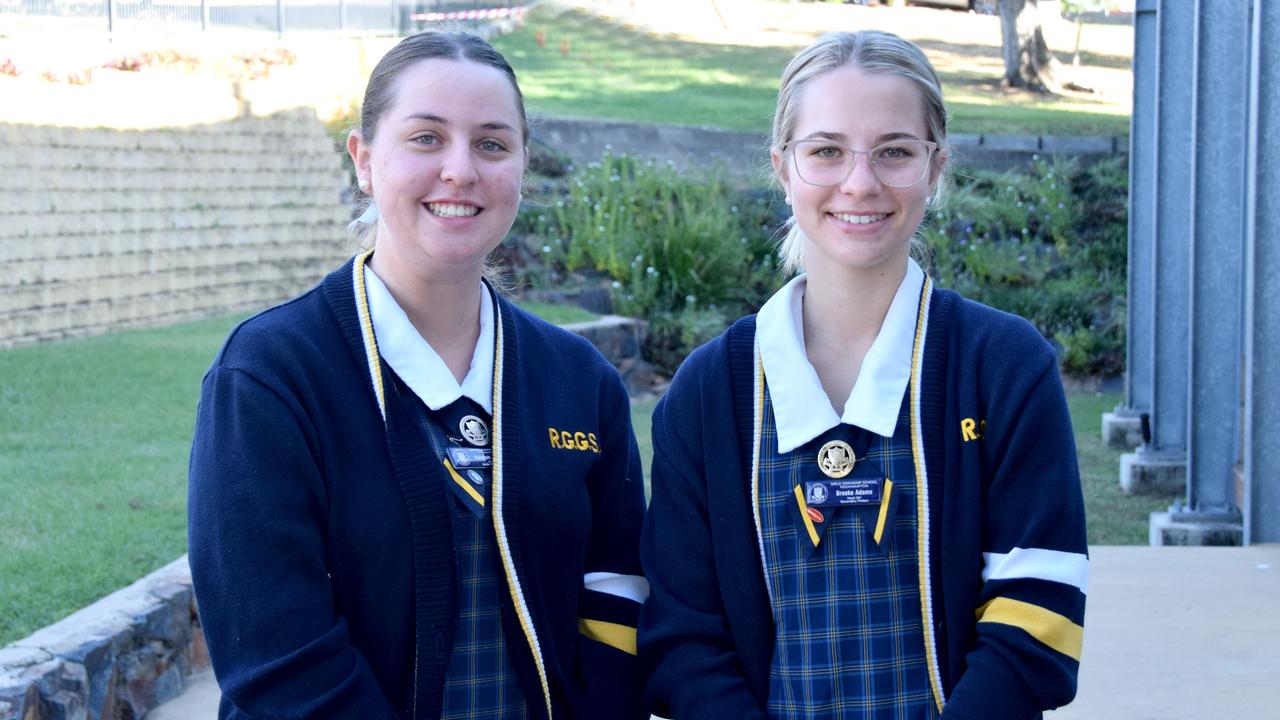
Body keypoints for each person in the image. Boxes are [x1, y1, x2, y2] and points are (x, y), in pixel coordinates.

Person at [188, 32, 648, 720]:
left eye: (492, 144)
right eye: (426, 139)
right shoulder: (269, 376)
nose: (460, 170)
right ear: (365, 160)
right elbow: (274, 652)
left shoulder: (579, 380)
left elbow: (617, 589)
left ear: (522, 165)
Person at [638, 30, 1087, 720]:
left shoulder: (1003, 367)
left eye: (895, 152)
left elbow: (1038, 617)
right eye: (825, 151)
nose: (860, 183)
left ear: (935, 167)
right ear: (782, 168)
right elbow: (683, 643)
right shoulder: (709, 394)